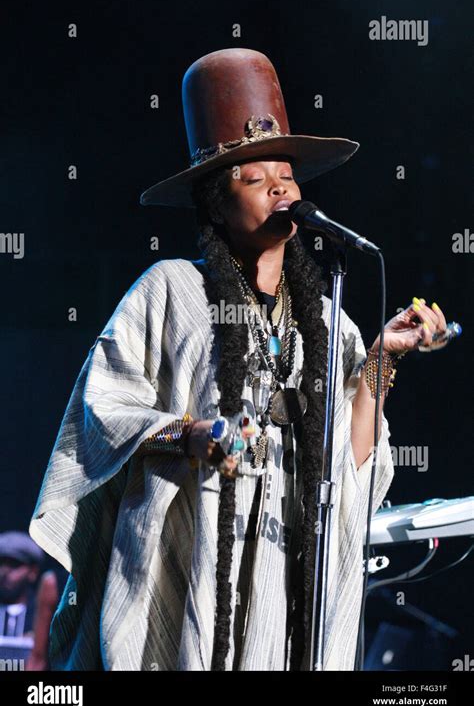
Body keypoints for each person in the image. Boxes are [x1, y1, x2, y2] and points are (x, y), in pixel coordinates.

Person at [29, 48, 449, 671]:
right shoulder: (169, 290)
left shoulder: (331, 321)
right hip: (194, 560)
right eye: (254, 178)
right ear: (215, 205)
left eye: (285, 172)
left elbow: (351, 463)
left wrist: (381, 361)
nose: (280, 186)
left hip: (286, 582)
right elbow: (103, 411)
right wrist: (193, 434)